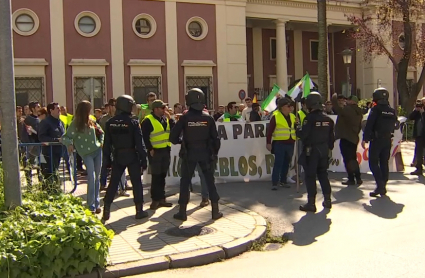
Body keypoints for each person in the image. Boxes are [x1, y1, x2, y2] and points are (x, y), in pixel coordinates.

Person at [170, 88, 222, 221]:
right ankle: (215, 211)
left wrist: (182, 141)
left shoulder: (185, 118)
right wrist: (213, 154)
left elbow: (173, 137)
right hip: (205, 154)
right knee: (210, 181)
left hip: (189, 154)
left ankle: (182, 212)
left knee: (185, 182)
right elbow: (216, 139)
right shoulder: (208, 118)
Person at [102, 95, 149, 221]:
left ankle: (106, 209)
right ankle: (139, 210)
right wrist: (144, 159)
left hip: (118, 155)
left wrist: (106, 161)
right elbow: (140, 143)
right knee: (136, 183)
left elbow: (106, 144)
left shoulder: (110, 123)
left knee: (113, 183)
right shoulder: (133, 122)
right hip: (132, 155)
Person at [62, 101, 104, 214]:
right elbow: (66, 137)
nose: (91, 111)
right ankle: (90, 205)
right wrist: (69, 144)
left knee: (97, 177)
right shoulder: (75, 123)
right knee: (91, 176)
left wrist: (101, 142)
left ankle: (97, 203)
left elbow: (101, 132)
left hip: (97, 150)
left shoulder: (92, 120)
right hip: (86, 153)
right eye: (89, 109)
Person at [297, 92, 335, 212]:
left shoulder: (309, 119)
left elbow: (304, 135)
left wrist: (297, 129)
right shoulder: (328, 119)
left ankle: (311, 203)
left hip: (312, 151)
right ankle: (328, 200)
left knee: (310, 176)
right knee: (323, 174)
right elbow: (331, 138)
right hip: (324, 150)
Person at [361, 88, 397, 197]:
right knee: (384, 163)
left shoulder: (376, 110)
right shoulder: (391, 110)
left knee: (373, 163)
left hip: (377, 140)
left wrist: (365, 138)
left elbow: (369, 124)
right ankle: (382, 186)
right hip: (387, 140)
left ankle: (380, 185)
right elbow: (395, 124)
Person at [141, 100, 175, 210]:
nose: (164, 110)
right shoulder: (148, 120)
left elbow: (173, 130)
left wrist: (171, 119)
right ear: (155, 109)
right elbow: (144, 137)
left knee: (162, 175)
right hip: (155, 152)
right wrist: (150, 148)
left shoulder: (165, 119)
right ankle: (155, 200)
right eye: (162, 108)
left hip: (165, 150)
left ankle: (162, 199)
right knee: (156, 176)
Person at [99, 98, 130, 196]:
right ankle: (104, 184)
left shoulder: (121, 118)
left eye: (115, 106)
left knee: (120, 168)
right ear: (109, 107)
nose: (113, 108)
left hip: (119, 147)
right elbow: (101, 133)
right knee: (106, 166)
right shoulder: (104, 119)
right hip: (108, 146)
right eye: (112, 106)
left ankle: (122, 187)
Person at [332, 94, 363, 185]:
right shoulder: (358, 112)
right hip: (353, 138)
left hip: (346, 137)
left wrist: (334, 98)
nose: (347, 101)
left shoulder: (349, 109)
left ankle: (351, 178)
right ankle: (358, 177)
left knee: (348, 159)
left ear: (352, 101)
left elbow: (338, 110)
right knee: (353, 158)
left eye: (349, 100)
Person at [266, 97, 296, 190]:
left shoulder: (293, 116)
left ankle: (283, 181)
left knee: (287, 163)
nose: (290, 108)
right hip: (280, 143)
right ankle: (275, 183)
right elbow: (270, 131)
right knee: (278, 163)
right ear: (282, 107)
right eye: (288, 106)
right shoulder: (276, 116)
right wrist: (268, 143)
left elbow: (295, 128)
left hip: (290, 142)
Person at [38, 102, 65, 192]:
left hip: (58, 152)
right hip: (48, 152)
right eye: (57, 108)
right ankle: (49, 192)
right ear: (51, 110)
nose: (59, 110)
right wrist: (56, 140)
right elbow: (42, 137)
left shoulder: (60, 122)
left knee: (55, 171)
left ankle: (55, 190)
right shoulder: (45, 122)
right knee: (49, 173)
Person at [408, 99, 425, 175]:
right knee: (419, 152)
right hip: (419, 135)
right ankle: (419, 168)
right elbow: (410, 117)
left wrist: (423, 113)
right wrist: (415, 110)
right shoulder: (417, 112)